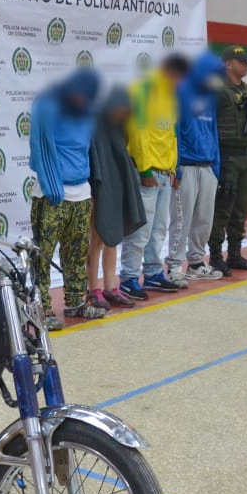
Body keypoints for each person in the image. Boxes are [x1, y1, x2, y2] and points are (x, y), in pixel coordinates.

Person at [29, 70, 103, 330]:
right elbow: (40, 147)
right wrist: (52, 185)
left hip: (80, 192)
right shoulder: (47, 105)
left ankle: (75, 301)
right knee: (42, 256)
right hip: (51, 194)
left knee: (76, 253)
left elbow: (85, 151)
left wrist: (88, 189)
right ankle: (41, 308)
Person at [119, 54, 188, 300]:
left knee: (158, 228)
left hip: (165, 172)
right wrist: (145, 169)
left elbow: (171, 135)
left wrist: (173, 167)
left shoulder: (170, 96)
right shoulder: (142, 90)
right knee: (141, 229)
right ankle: (128, 277)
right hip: (146, 173)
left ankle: (152, 272)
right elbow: (136, 132)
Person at [167, 52, 226, 285]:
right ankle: (174, 265)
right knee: (181, 219)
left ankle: (196, 262)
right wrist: (177, 166)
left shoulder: (210, 96)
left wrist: (216, 166)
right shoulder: (181, 91)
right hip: (187, 165)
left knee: (204, 218)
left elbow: (213, 131)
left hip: (208, 166)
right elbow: (175, 130)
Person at [87, 89, 145, 310]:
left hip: (115, 183)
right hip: (98, 186)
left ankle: (111, 286)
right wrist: (93, 191)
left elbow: (122, 152)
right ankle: (93, 288)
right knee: (97, 237)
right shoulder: (94, 125)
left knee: (113, 234)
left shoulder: (118, 126)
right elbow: (92, 158)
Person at [209, 46, 247, 276]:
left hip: (245, 155)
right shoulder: (217, 87)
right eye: (241, 61)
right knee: (223, 208)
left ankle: (235, 254)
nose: (245, 65)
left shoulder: (245, 88)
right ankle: (215, 256)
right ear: (228, 63)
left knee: (241, 207)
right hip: (227, 154)